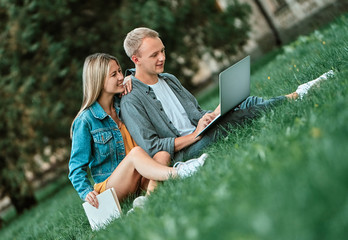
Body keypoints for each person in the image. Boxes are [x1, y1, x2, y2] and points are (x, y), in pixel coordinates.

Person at [120, 27, 334, 163]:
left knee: (245, 101)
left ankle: (291, 96)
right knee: (233, 119)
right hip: (185, 152)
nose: (162, 57)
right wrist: (195, 135)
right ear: (136, 59)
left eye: (163, 51)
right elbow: (153, 146)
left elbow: (195, 113)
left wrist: (207, 118)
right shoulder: (131, 99)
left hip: (200, 132)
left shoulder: (169, 79)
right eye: (154, 54)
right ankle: (299, 95)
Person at [68, 53, 208, 209]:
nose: (121, 77)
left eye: (120, 71)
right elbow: (75, 168)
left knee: (162, 153)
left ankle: (147, 201)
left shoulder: (124, 102)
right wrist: (86, 191)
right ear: (98, 81)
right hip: (112, 186)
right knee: (135, 154)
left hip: (140, 176)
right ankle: (181, 172)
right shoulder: (86, 120)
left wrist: (130, 78)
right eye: (114, 74)